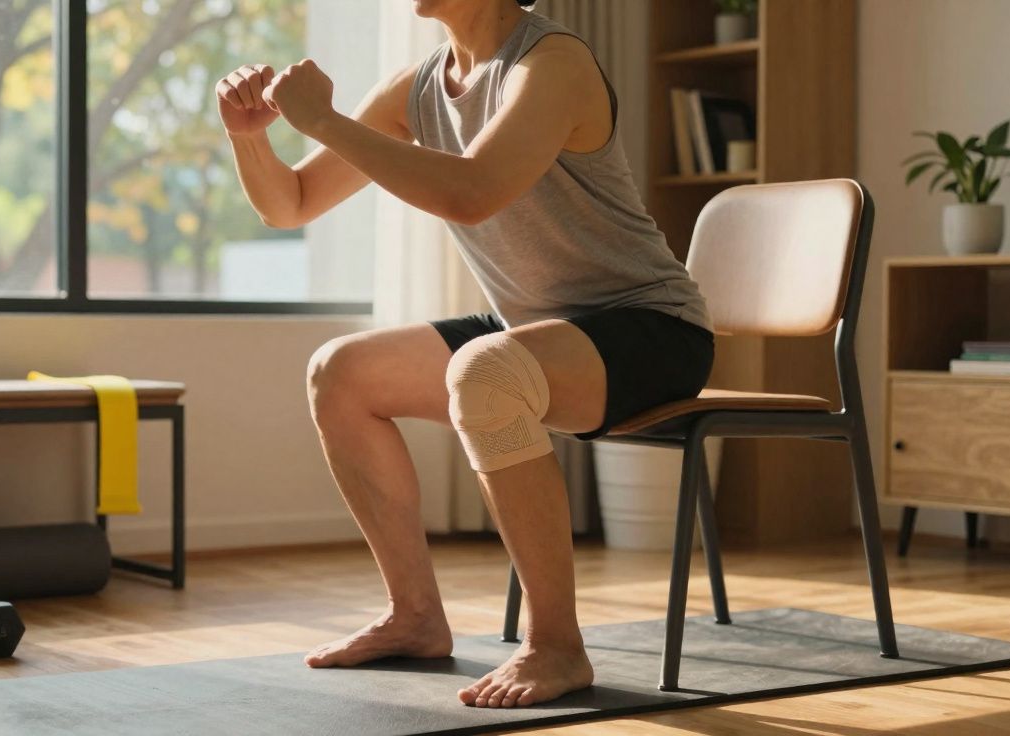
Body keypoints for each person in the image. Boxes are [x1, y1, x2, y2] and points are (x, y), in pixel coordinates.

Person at [215, 0, 713, 709]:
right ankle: (414, 616)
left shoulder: (552, 63)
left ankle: (556, 646)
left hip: (651, 328)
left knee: (483, 373)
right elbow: (290, 205)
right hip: (531, 327)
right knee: (341, 372)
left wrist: (325, 121)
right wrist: (250, 138)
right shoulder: (415, 89)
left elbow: (472, 192)